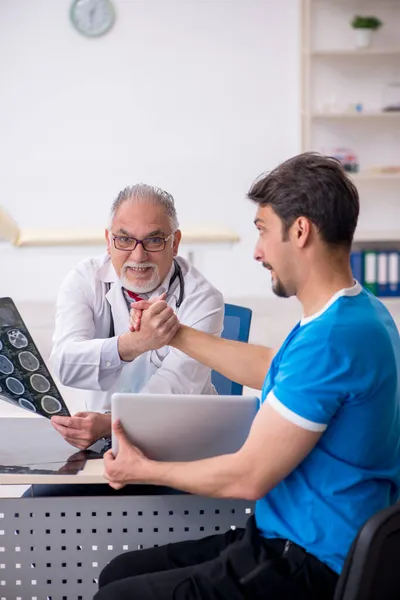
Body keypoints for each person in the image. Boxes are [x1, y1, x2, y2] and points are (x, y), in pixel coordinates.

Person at [95, 153, 400, 600]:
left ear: (299, 231)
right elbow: (271, 368)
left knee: (116, 596)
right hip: (294, 539)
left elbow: (249, 477)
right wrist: (175, 335)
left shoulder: (333, 338)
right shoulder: (358, 313)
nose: (257, 251)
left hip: (307, 560)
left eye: (262, 230)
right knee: (119, 571)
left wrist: (144, 468)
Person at [48, 183, 224, 452]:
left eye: (154, 240)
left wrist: (108, 424)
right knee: (40, 495)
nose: (138, 256)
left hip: (181, 441)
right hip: (101, 445)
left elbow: (176, 390)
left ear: (174, 243)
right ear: (109, 241)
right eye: (124, 239)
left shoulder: (202, 298)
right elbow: (65, 366)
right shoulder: (85, 280)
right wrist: (134, 344)